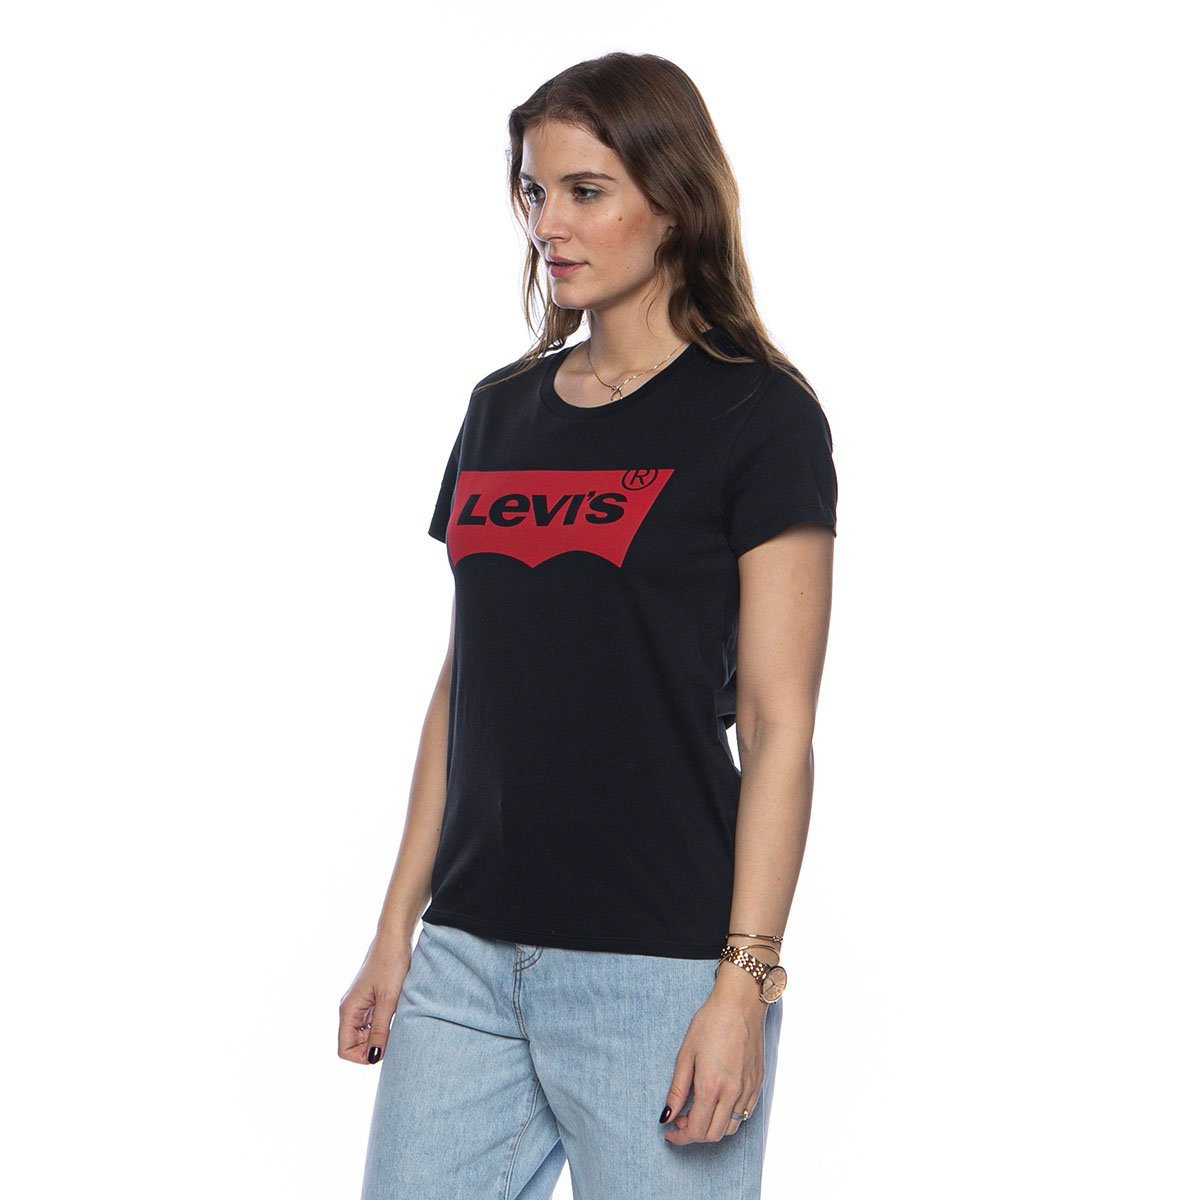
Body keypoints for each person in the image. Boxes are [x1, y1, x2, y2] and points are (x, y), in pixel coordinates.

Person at [340, 50, 838, 1200]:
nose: (547, 224)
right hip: (467, 960)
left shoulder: (758, 416)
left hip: (657, 965)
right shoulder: (500, 411)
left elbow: (778, 726)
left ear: (675, 197)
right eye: (533, 190)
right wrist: (395, 929)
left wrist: (743, 980)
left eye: (585, 191)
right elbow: (465, 687)